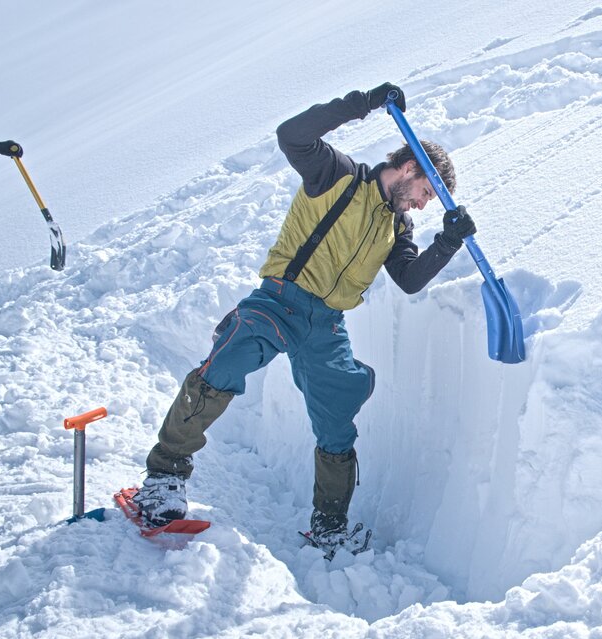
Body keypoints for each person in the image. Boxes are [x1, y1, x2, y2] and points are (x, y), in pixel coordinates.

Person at [133, 83, 476, 553]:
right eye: (424, 193)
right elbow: (291, 134)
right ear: (411, 167)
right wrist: (362, 104)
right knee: (229, 363)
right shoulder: (335, 175)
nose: (420, 204)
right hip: (279, 301)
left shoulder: (398, 225)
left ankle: (330, 524)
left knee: (338, 419)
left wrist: (447, 243)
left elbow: (410, 280)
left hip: (326, 324)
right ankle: (164, 476)